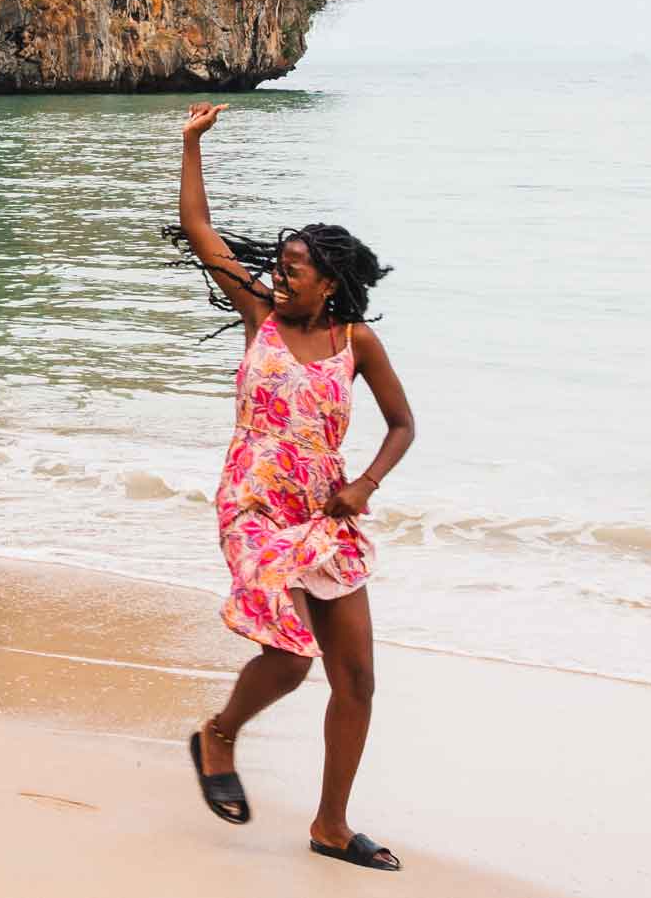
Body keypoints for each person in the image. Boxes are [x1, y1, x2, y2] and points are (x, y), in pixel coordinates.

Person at [170, 103, 417, 873]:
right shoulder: (259, 316)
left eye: (294, 270)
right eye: (277, 267)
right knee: (290, 651)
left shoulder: (357, 340)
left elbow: (403, 423)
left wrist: (366, 483)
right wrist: (191, 145)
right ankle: (218, 733)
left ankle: (332, 825)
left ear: (330, 282)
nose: (279, 278)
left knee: (359, 678)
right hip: (253, 503)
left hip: (323, 510)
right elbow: (201, 229)